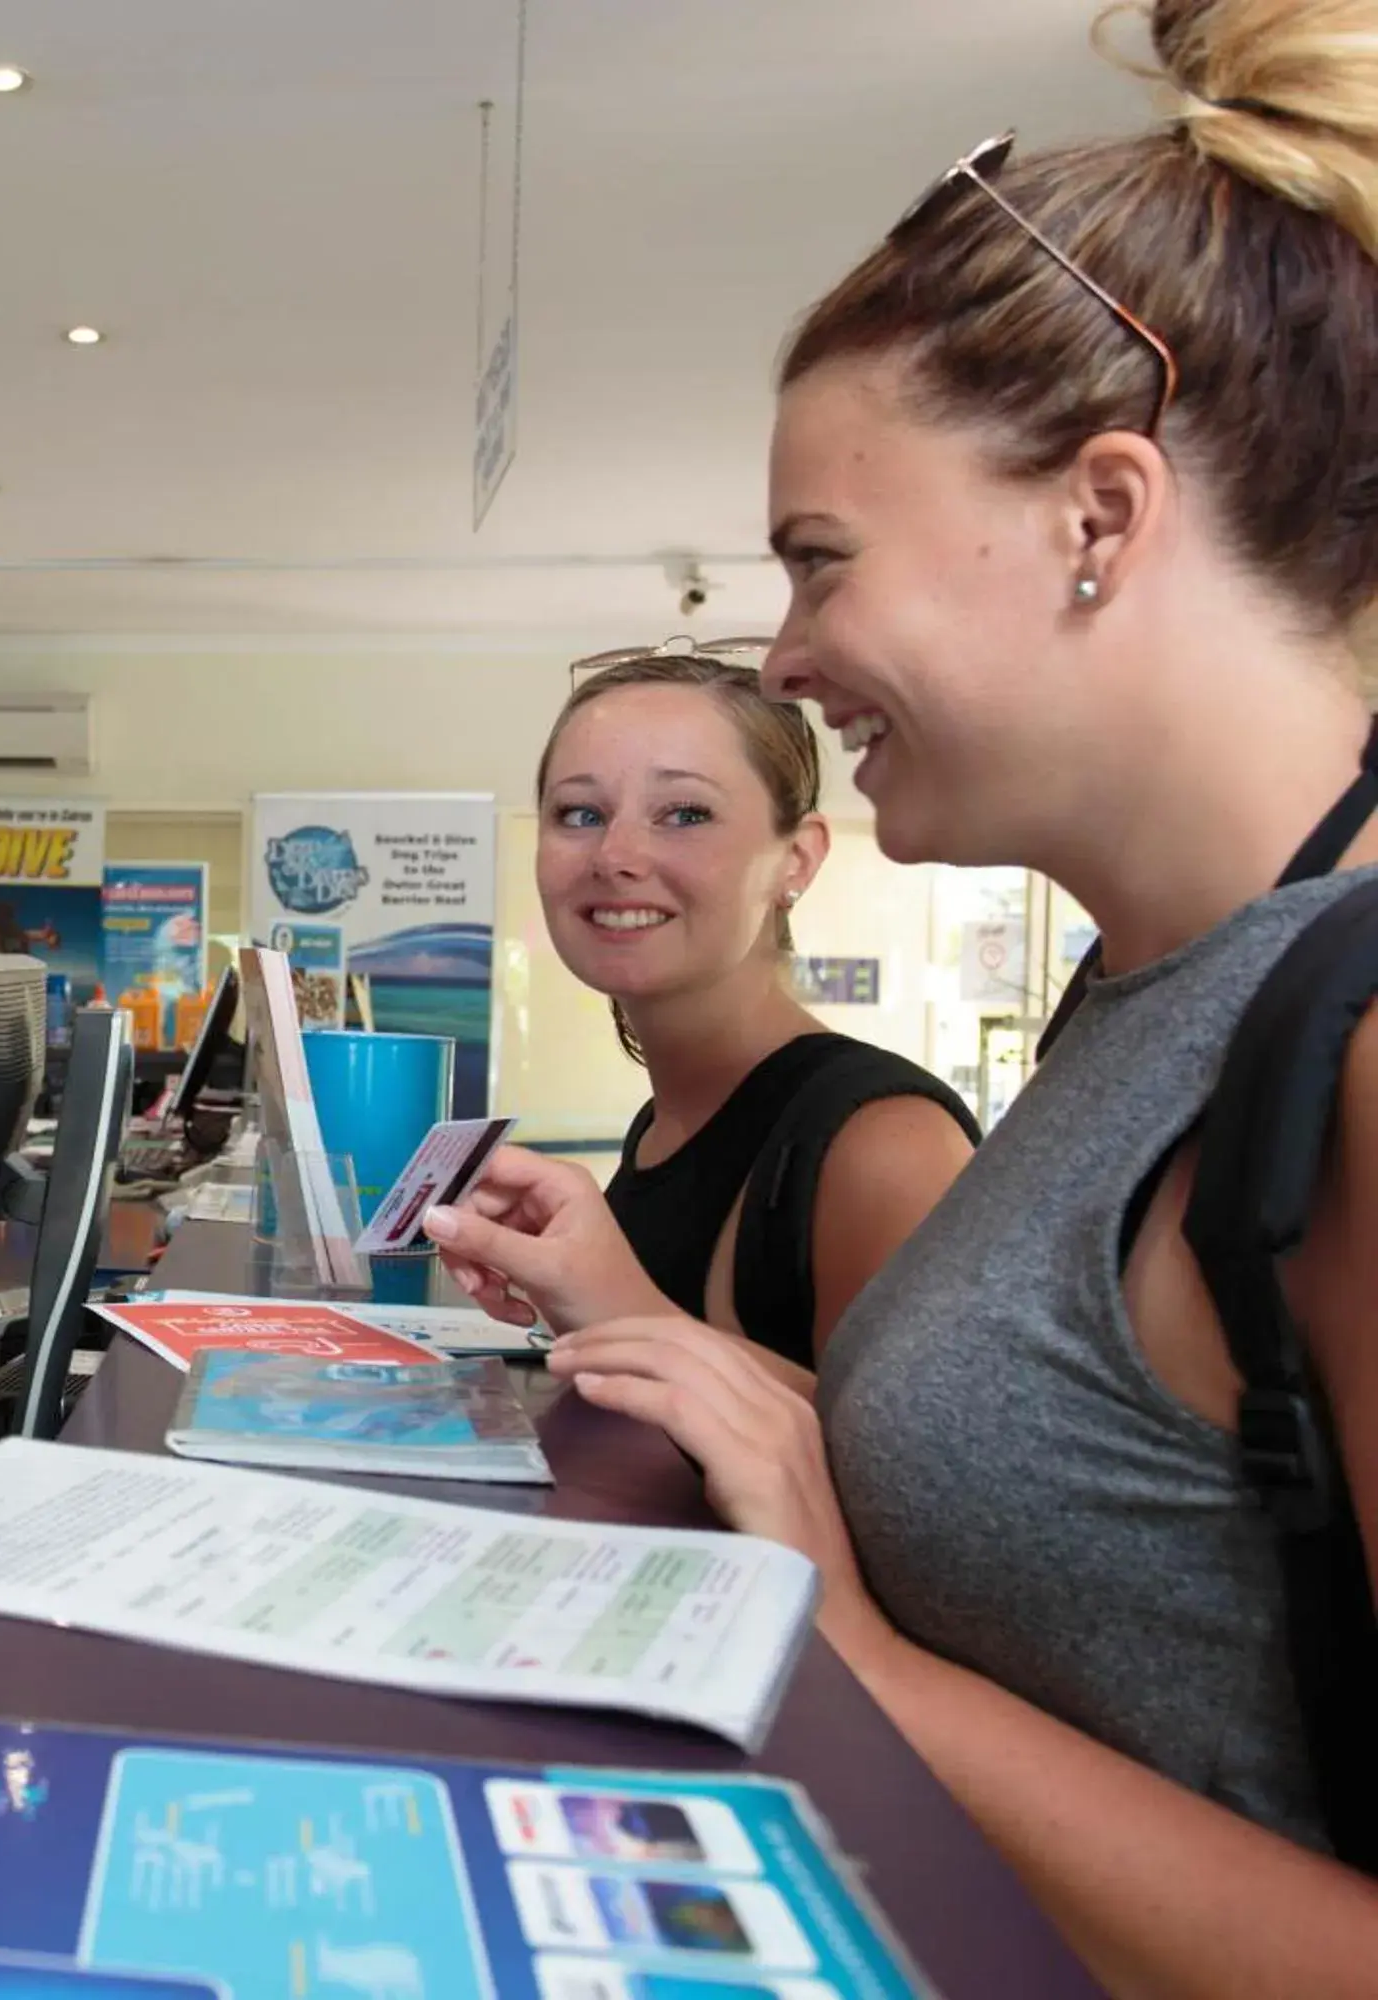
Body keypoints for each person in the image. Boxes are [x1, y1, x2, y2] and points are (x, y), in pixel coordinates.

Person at [426, 0, 1378, 1984]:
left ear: (1093, 520)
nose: (780, 659)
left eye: (817, 562)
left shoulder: (1343, 1040)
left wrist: (838, 1654)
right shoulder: (1138, 1008)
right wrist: (645, 1333)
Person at [535, 648, 976, 1375]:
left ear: (795, 858)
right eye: (579, 813)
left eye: (683, 813)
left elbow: (921, 1483)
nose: (613, 855)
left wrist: (620, 1309)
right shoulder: (666, 1124)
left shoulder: (883, 1147)